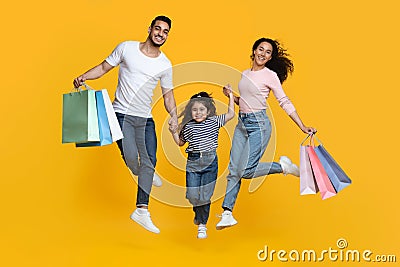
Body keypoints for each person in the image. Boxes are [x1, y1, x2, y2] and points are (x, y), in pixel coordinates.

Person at [73, 15, 178, 234]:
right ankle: (144, 172)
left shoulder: (165, 64)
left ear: (168, 35)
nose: (161, 34)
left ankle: (141, 210)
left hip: (145, 119)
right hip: (120, 115)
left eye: (165, 31)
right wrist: (84, 76)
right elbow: (103, 67)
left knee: (150, 159)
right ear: (149, 29)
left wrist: (175, 117)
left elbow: (168, 96)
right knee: (132, 159)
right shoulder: (127, 48)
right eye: (157, 29)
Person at [215, 37, 317, 230]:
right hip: (242, 124)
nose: (262, 54)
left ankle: (283, 167)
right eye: (260, 49)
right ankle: (227, 213)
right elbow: (245, 101)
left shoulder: (270, 75)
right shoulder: (245, 74)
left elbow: (284, 101)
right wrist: (231, 96)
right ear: (253, 51)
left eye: (267, 52)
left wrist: (302, 126)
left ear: (270, 57)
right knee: (234, 169)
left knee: (246, 171)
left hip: (259, 125)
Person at [169, 91, 234, 238]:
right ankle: (198, 214)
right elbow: (180, 142)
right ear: (190, 111)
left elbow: (230, 114)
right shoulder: (188, 126)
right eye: (195, 110)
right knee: (192, 196)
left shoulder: (214, 121)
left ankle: (202, 225)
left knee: (205, 196)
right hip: (193, 162)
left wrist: (230, 96)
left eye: (202, 110)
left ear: (208, 111)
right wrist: (173, 132)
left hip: (210, 162)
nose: (198, 113)